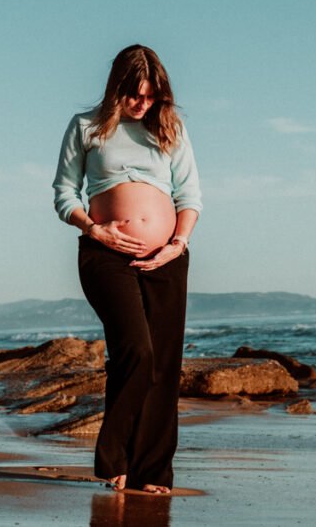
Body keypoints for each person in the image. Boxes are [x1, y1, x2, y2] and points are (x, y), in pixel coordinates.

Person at [52, 44, 201, 494]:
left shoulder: (169, 128)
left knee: (163, 366)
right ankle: (113, 455)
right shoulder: (86, 127)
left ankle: (150, 473)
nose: (142, 104)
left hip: (166, 258)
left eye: (151, 96)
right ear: (117, 88)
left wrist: (177, 244)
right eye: (135, 95)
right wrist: (95, 230)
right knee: (137, 351)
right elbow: (64, 194)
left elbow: (189, 196)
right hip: (105, 254)